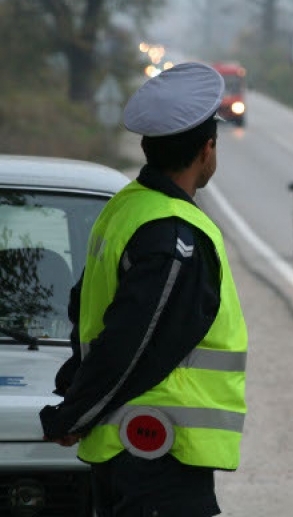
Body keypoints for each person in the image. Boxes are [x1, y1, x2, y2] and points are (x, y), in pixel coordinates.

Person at [39, 62, 248, 517]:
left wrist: (77, 386)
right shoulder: (175, 233)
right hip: (158, 449)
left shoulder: (127, 206)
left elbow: (86, 306)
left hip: (127, 450)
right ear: (206, 150)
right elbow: (133, 341)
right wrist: (75, 412)